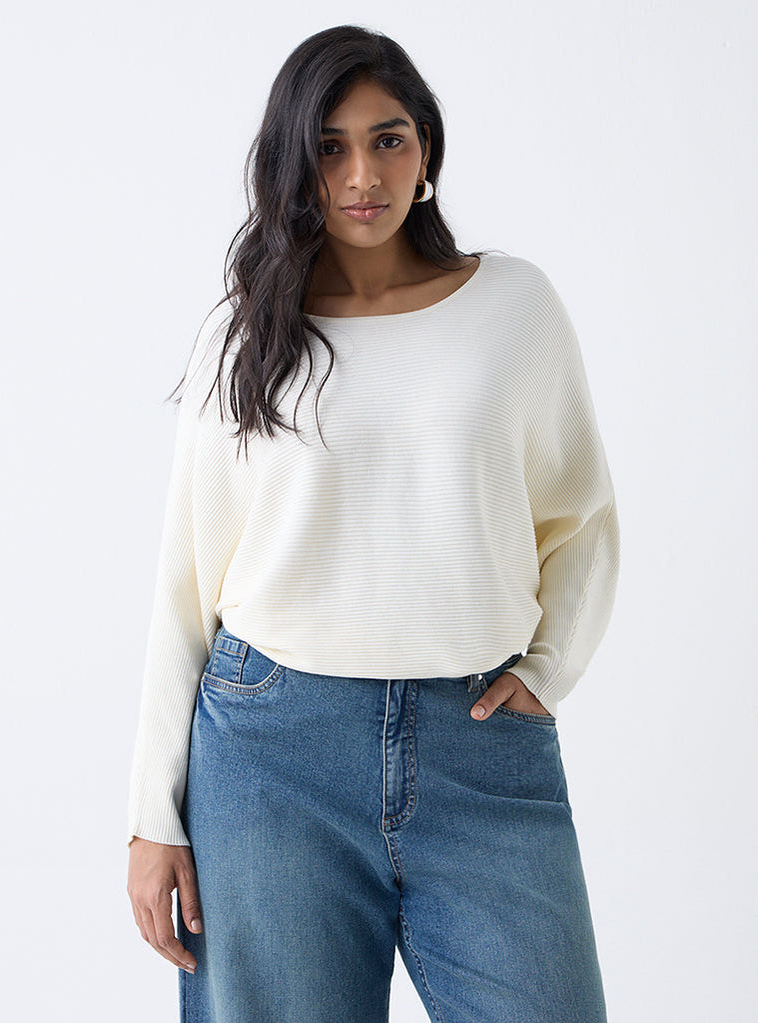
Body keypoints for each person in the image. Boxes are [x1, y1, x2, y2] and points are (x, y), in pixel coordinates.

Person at [127, 24, 620, 1023]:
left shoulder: (512, 307)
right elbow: (185, 586)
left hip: (479, 742)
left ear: (424, 150)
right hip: (271, 750)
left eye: (387, 140)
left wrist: (547, 668)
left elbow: (580, 515)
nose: (362, 174)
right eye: (330, 146)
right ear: (293, 162)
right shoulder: (245, 334)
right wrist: (151, 816)